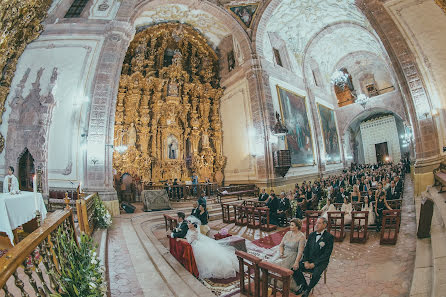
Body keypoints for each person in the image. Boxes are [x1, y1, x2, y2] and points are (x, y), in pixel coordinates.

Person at [292, 217, 334, 297]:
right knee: (294, 267)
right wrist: (306, 261)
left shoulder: (329, 237)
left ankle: (308, 290)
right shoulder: (311, 235)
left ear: (324, 225)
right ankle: (303, 284)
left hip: (321, 262)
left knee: (316, 274)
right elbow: (306, 250)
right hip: (309, 259)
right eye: (316, 223)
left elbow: (326, 254)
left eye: (319, 223)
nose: (316, 225)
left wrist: (314, 264)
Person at [269, 219, 306, 292]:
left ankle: (279, 284)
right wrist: (281, 253)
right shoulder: (288, 233)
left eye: (292, 225)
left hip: (293, 255)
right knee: (271, 263)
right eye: (290, 225)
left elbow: (300, 252)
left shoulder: (301, 237)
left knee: (281, 269)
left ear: (297, 227)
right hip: (284, 253)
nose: (290, 226)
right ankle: (270, 281)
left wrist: (296, 262)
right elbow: (281, 245)